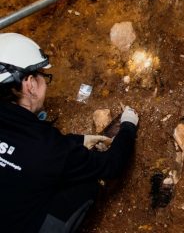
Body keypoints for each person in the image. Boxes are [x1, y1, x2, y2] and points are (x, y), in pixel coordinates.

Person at [0, 33, 139, 233]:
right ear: (30, 84)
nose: (45, 83)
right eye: (42, 75)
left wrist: (80, 140)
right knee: (86, 185)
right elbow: (111, 165)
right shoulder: (46, 148)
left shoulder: (43, 145)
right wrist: (128, 126)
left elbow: (22, 148)